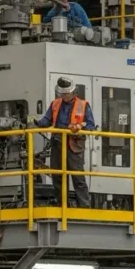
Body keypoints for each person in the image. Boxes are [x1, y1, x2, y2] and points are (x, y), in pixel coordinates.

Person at [34, 76, 95, 207]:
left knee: (77, 177)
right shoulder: (55, 104)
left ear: (74, 92)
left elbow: (90, 125)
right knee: (57, 176)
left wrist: (80, 127)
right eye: (63, 94)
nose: (65, 96)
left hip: (73, 144)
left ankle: (84, 206)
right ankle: (62, 204)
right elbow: (47, 120)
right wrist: (37, 123)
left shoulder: (83, 105)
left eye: (67, 94)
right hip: (57, 143)